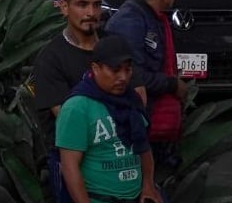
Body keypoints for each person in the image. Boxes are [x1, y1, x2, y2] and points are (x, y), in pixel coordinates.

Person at [106, 0, 193, 175]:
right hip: (140, 128)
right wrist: (172, 84)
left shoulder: (152, 17)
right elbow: (133, 76)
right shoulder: (131, 21)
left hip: (157, 127)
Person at [54, 34, 160, 203]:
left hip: (137, 197)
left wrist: (148, 186)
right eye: (115, 70)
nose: (123, 77)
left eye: (127, 70)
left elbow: (144, 149)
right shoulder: (77, 107)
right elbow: (70, 167)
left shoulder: (132, 100)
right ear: (96, 68)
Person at [28, 0, 110, 130]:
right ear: (64, 8)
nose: (91, 12)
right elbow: (69, 119)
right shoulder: (50, 58)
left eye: (97, 5)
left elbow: (138, 95)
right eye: (82, 4)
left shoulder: (114, 45)